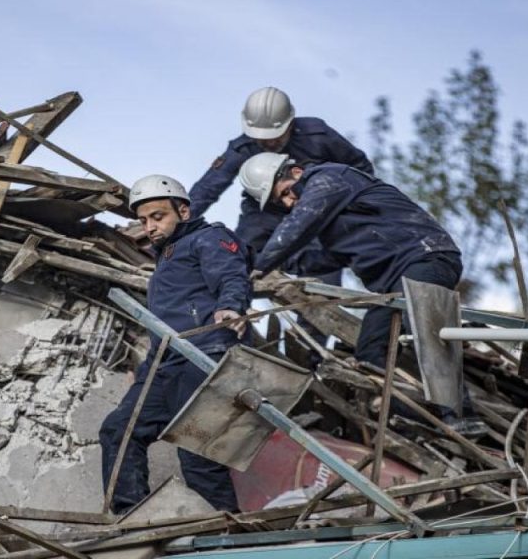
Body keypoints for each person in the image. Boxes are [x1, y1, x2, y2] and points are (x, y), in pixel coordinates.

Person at [238, 153, 486, 433]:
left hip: (425, 258)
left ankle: (463, 417)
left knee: (424, 331)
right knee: (369, 353)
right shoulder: (331, 220)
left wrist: (255, 267)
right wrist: (274, 270)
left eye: (285, 193)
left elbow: (297, 229)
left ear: (295, 172)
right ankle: (420, 420)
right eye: (279, 202)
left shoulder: (328, 179)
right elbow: (319, 260)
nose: (287, 202)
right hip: (392, 287)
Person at [99, 175, 251, 514]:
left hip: (204, 354)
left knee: (196, 452)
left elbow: (231, 274)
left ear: (183, 211)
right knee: (119, 430)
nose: (149, 226)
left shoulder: (208, 238)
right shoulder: (166, 258)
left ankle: (223, 534)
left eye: (158, 216)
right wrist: (145, 371)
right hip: (165, 363)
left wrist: (231, 306)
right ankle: (132, 517)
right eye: (143, 220)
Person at [188, 86, 373, 279]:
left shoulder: (318, 135)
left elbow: (359, 168)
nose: (268, 144)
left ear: (290, 123)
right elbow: (206, 189)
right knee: (239, 259)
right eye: (261, 139)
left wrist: (353, 211)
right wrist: (176, 228)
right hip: (262, 214)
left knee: (321, 274)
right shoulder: (241, 148)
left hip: (315, 213)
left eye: (274, 138)